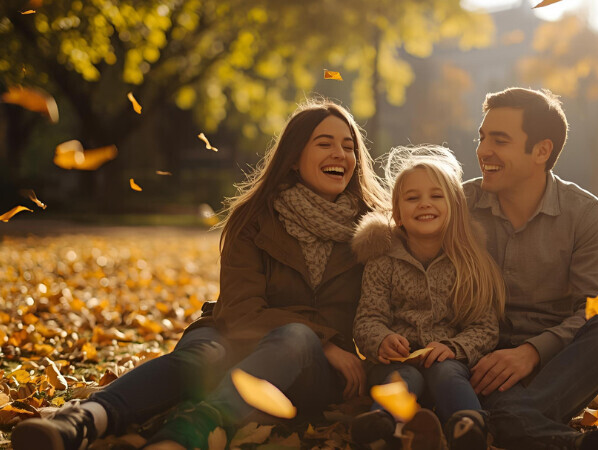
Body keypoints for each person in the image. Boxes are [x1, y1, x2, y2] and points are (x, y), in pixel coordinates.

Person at [11, 99, 388, 450]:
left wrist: (324, 345)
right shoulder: (254, 219)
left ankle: (184, 435)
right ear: (293, 158)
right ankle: (81, 421)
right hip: (231, 332)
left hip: (309, 371)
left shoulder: (375, 231)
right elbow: (240, 311)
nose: (340, 154)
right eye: (324, 143)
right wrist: (326, 340)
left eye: (348, 146)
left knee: (296, 338)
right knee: (200, 358)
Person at [463, 87, 598, 450]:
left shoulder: (587, 214)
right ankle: (582, 443)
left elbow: (594, 306)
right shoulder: (458, 204)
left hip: (557, 363)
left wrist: (532, 352)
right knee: (504, 406)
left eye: (499, 140)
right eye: (482, 138)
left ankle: (513, 417)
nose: (483, 151)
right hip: (479, 361)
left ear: (541, 151)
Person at [348, 145, 505, 450]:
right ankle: (381, 428)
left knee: (446, 373)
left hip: (447, 361)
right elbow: (368, 319)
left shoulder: (468, 262)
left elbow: (485, 327)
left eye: (436, 196)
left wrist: (453, 347)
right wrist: (381, 340)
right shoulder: (382, 261)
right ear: (398, 213)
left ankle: (469, 427)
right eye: (412, 198)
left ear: (454, 206)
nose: (424, 204)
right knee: (404, 378)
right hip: (397, 363)